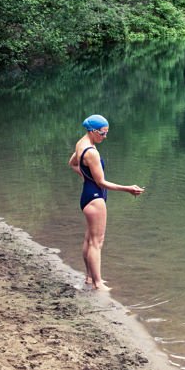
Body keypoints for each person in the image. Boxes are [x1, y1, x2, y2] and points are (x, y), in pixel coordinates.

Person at [68, 114, 144, 290]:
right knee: (97, 242)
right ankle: (98, 283)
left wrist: (88, 178)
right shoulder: (92, 152)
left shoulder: (82, 143)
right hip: (95, 198)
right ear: (93, 131)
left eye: (106, 132)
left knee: (89, 239)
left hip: (87, 196)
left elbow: (72, 164)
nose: (105, 136)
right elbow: (102, 182)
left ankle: (89, 278)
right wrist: (128, 189)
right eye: (103, 133)